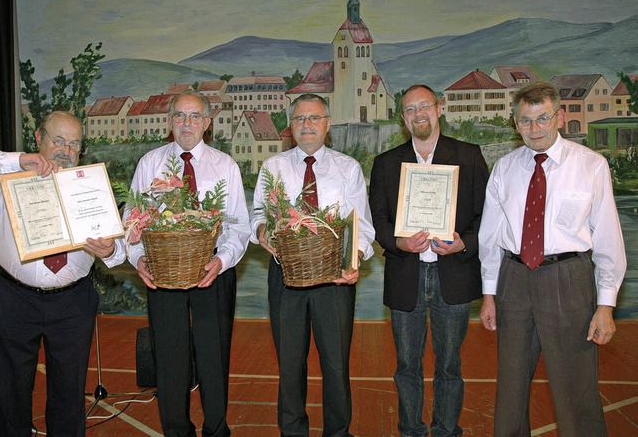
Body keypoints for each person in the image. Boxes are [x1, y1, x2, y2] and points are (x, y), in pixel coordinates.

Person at [479, 81, 626, 436]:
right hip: (513, 279)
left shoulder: (591, 166)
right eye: (526, 121)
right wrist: (488, 294)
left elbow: (608, 238)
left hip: (568, 278)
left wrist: (606, 305)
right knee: (511, 385)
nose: (535, 129)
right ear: (515, 123)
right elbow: (490, 237)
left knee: (575, 385)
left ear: (559, 117)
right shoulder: (504, 169)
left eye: (543, 118)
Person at [111, 90, 251, 436]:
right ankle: (176, 430)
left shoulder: (225, 165)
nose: (186, 123)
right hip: (163, 273)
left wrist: (222, 260)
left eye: (194, 116)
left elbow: (239, 226)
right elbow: (132, 221)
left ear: (207, 123)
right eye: (179, 116)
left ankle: (216, 429)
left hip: (214, 273)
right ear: (169, 121)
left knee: (213, 358)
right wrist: (139, 258)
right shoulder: (149, 163)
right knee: (169, 360)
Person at [250, 93, 375, 436]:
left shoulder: (347, 167)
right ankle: (292, 431)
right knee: (290, 366)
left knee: (336, 366)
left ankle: (338, 431)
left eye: (314, 118)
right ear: (291, 126)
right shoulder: (271, 168)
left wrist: (357, 259)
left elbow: (361, 224)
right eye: (300, 119)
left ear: (327, 124)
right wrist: (262, 232)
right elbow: (257, 216)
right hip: (286, 277)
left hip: (335, 279)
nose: (307, 125)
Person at [369, 84, 489, 436]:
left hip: (453, 275)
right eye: (409, 109)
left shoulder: (468, 155)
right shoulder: (387, 163)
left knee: (450, 363)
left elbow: (488, 216)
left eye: (424, 106)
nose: (418, 114)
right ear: (403, 118)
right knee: (407, 364)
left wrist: (463, 243)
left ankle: (446, 430)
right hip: (406, 275)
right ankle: (410, 430)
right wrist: (399, 243)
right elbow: (377, 219)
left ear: (440, 108)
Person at [0, 111, 121, 436]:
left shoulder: (91, 188)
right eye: (58, 140)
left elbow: (118, 249)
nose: (66, 150)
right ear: (39, 138)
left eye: (75, 143)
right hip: (13, 299)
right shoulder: (8, 178)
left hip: (72, 303)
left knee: (69, 396)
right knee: (10, 393)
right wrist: (21, 160)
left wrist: (110, 250)